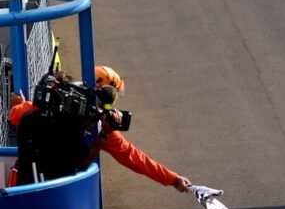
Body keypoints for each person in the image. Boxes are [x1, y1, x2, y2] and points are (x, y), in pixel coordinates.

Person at [6, 66, 192, 192]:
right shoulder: (103, 126)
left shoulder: (39, 109)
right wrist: (173, 179)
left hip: (25, 185)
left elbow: (15, 115)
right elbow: (134, 157)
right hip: (61, 190)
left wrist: (20, 104)